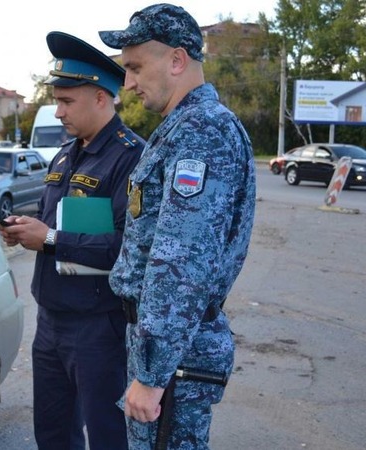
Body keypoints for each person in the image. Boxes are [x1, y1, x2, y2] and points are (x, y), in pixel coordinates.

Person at [99, 4, 256, 449]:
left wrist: (150, 376)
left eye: (134, 67)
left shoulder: (201, 132)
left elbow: (181, 263)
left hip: (172, 360)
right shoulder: (182, 127)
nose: (127, 83)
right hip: (167, 350)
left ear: (176, 60)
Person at [0, 31, 144, 450]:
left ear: (101, 98)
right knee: (52, 431)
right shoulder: (65, 153)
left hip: (99, 326)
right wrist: (26, 228)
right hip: (52, 320)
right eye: (56, 100)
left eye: (66, 101)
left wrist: (50, 239)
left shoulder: (132, 157)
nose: (57, 111)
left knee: (107, 435)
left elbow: (128, 249)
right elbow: (52, 223)